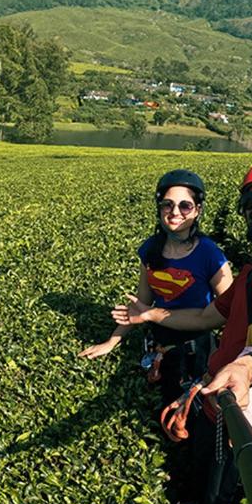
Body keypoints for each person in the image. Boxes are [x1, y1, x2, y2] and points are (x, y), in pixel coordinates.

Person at [114, 160, 252, 504]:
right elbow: (204, 316)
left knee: (220, 495)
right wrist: (149, 314)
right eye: (251, 199)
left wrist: (250, 365)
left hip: (247, 408)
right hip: (214, 396)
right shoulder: (248, 274)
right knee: (197, 479)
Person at [80, 169, 233, 406]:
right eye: (167, 204)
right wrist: (112, 341)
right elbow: (141, 304)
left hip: (197, 336)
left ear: (198, 210)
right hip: (160, 334)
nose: (174, 212)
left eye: (185, 206)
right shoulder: (151, 249)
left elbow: (229, 308)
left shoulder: (210, 254)